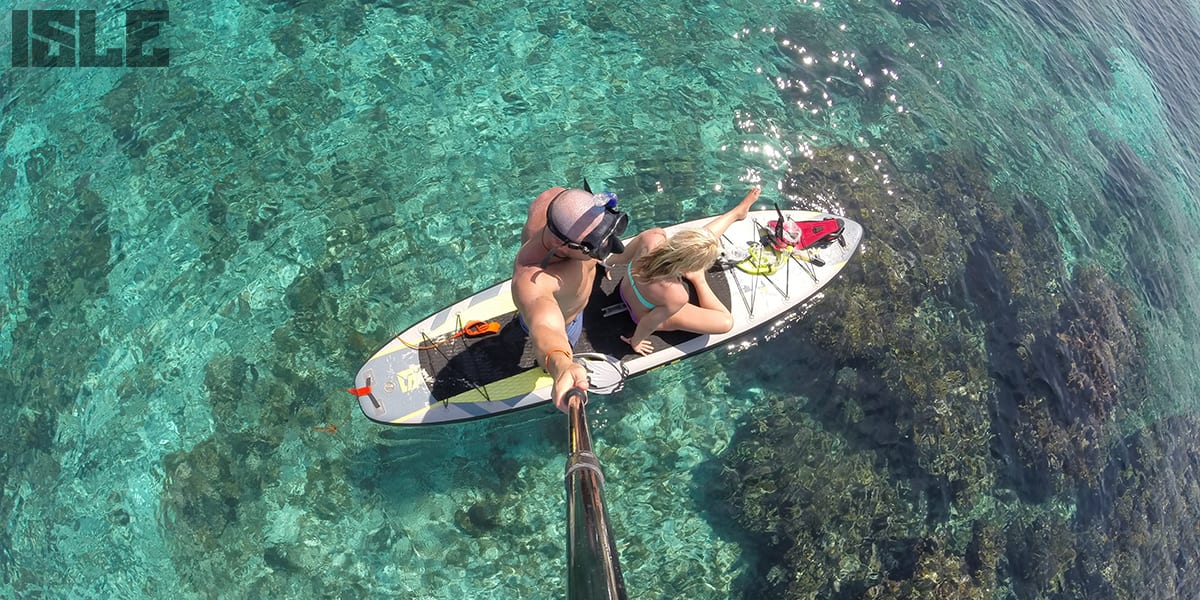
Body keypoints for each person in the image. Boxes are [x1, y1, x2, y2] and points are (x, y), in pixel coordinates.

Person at [512, 185, 629, 412]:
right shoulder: (534, 283)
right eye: (597, 248)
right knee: (546, 349)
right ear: (561, 246)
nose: (615, 246)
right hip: (566, 323)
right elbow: (547, 328)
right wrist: (563, 364)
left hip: (572, 298)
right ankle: (545, 370)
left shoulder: (558, 200)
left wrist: (599, 258)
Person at [614, 187, 761, 355]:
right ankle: (699, 280)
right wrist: (636, 341)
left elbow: (622, 256)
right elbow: (649, 322)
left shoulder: (653, 237)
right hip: (640, 314)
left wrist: (607, 264)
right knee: (725, 322)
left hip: (625, 286)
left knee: (699, 242)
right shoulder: (676, 295)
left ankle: (737, 212)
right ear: (690, 267)